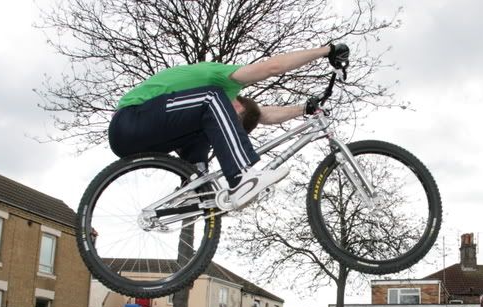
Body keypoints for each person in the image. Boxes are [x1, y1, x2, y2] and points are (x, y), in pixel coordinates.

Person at [108, 43, 350, 210]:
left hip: (148, 134)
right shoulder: (224, 80)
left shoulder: (212, 109)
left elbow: (265, 115)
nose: (228, 122)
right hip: (130, 120)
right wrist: (326, 51)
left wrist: (305, 109)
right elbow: (272, 68)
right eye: (233, 119)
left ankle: (192, 190)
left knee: (206, 128)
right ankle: (242, 177)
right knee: (211, 100)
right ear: (237, 104)